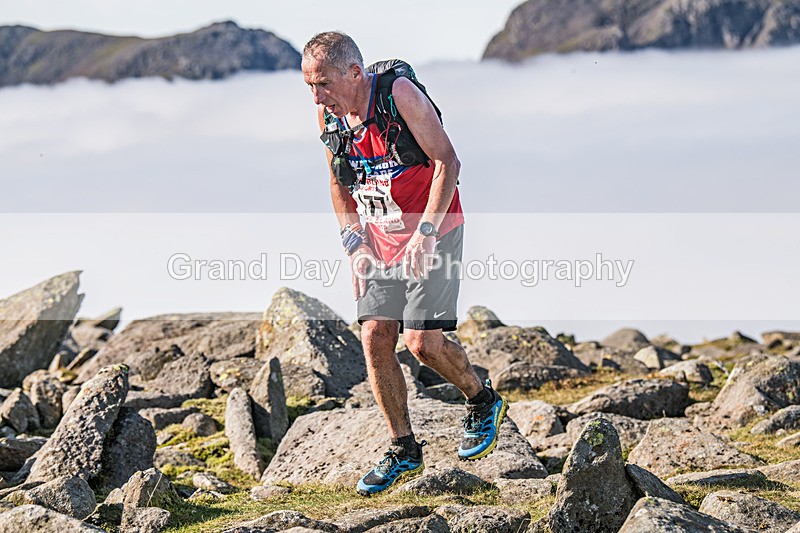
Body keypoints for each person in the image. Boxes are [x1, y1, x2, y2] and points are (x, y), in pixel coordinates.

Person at [301, 31, 507, 496]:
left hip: (434, 230)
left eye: (324, 84)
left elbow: (447, 162)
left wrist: (426, 234)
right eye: (310, 86)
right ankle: (403, 448)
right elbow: (338, 182)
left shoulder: (399, 95)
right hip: (377, 240)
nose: (317, 97)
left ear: (355, 73)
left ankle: (482, 400)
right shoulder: (329, 114)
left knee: (422, 344)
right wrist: (354, 243)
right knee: (374, 336)